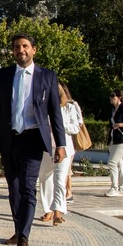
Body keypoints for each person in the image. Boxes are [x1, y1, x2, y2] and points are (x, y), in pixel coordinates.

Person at [0, 34, 66, 246]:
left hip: (33, 139)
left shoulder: (46, 76)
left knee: (29, 188)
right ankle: (18, 229)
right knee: (15, 189)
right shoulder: (3, 75)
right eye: (16, 47)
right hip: (9, 139)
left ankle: (24, 238)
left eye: (25, 46)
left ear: (34, 50)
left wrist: (61, 144)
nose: (21, 50)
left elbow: (54, 112)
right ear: (13, 51)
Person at [37, 83, 82, 224]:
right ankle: (48, 209)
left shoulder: (70, 107)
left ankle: (57, 211)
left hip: (63, 148)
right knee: (45, 179)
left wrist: (59, 125)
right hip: (46, 148)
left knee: (59, 180)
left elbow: (76, 127)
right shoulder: (42, 108)